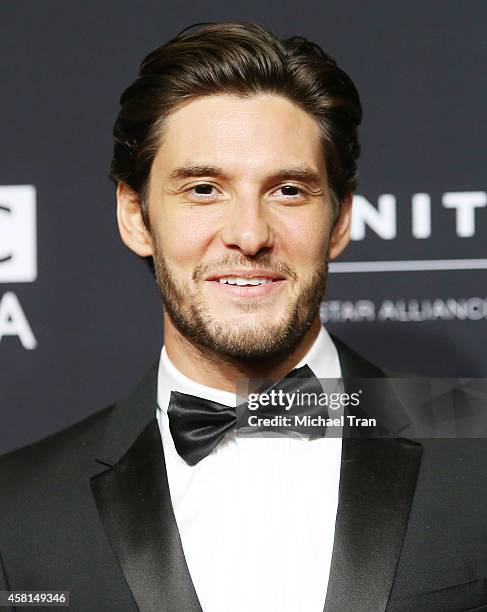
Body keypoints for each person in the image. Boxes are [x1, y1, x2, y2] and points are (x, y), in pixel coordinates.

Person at [1, 21, 487, 612]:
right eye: (204, 189)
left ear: (338, 220)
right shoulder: (18, 510)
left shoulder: (476, 440)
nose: (250, 234)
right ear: (135, 216)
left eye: (288, 190)